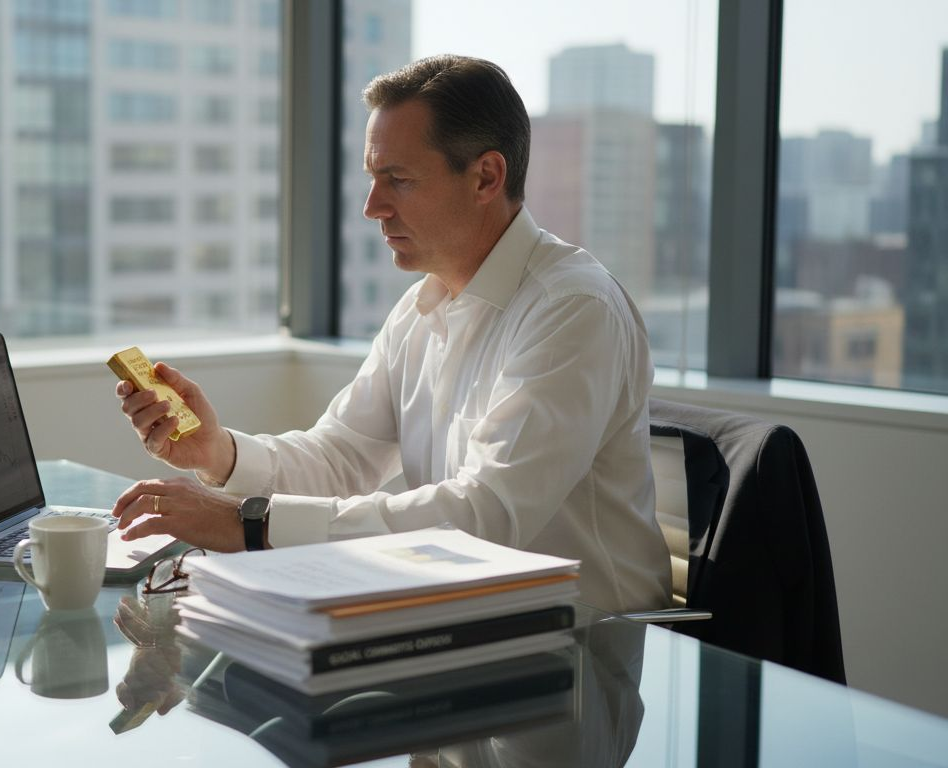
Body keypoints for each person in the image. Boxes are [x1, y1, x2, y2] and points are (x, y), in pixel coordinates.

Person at [111, 54, 670, 613]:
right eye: (374, 179)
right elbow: (343, 457)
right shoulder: (423, 305)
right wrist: (222, 454)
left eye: (397, 180)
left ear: (486, 177)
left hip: (584, 650)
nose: (372, 207)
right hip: (465, 627)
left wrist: (248, 524)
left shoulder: (573, 307)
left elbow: (487, 515)